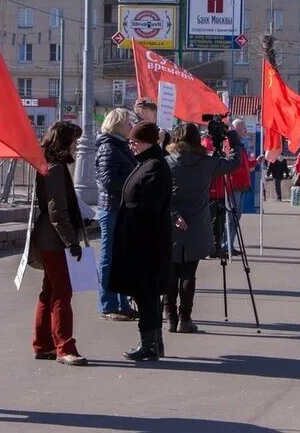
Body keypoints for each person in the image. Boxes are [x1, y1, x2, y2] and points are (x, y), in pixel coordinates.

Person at [164, 123, 242, 333]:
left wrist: (172, 214)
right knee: (189, 272)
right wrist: (233, 140)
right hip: (197, 224)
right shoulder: (206, 162)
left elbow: (158, 193)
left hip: (170, 223)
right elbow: (233, 163)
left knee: (170, 272)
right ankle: (185, 318)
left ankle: (170, 316)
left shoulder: (167, 163)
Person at [109, 122, 173, 360]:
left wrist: (135, 233)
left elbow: (149, 210)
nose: (131, 146)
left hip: (146, 244)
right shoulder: (147, 164)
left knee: (145, 293)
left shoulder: (154, 167)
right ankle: (154, 342)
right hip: (140, 241)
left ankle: (149, 344)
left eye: (134, 142)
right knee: (146, 294)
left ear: (147, 142)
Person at [31, 121, 88, 366]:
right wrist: (71, 241)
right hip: (54, 239)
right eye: (74, 141)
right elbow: (57, 210)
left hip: (49, 237)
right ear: (65, 142)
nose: (76, 146)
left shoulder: (50, 164)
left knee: (50, 290)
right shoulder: (55, 168)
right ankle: (65, 347)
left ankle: (43, 345)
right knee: (62, 292)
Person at [94, 108, 137, 321]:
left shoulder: (120, 146)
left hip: (121, 209)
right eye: (129, 123)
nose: (132, 127)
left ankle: (122, 305)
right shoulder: (109, 148)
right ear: (118, 124)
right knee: (110, 259)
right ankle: (108, 305)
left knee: (122, 259)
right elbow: (108, 181)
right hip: (112, 209)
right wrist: (135, 183)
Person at [223, 119, 254, 255]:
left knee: (235, 216)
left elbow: (243, 164)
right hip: (234, 185)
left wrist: (255, 162)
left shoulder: (239, 145)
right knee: (232, 216)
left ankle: (229, 244)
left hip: (240, 185)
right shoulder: (231, 144)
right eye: (243, 128)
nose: (246, 131)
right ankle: (226, 244)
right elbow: (232, 164)